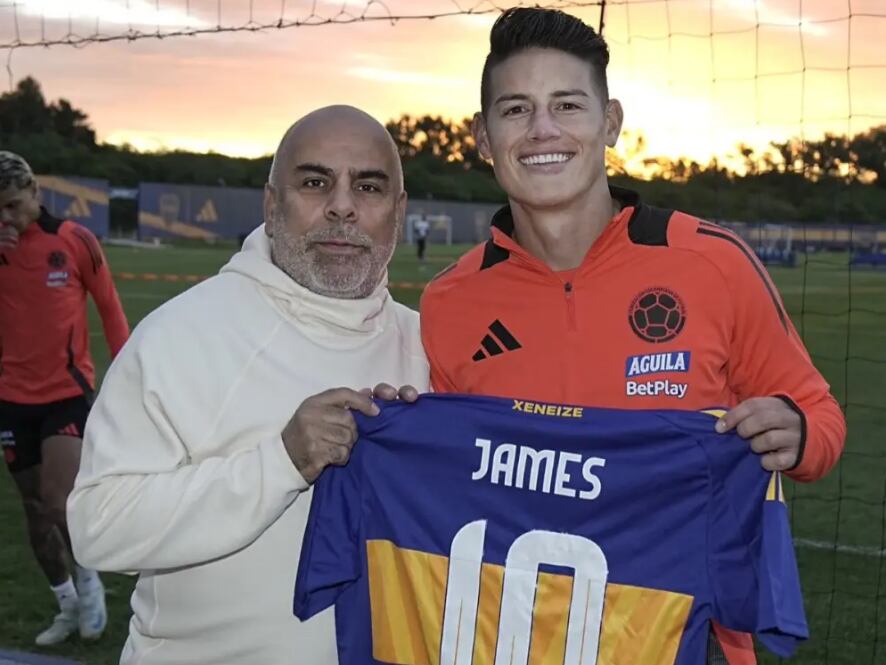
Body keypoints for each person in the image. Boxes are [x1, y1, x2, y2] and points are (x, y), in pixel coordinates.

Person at [419, 8, 846, 665]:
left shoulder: (712, 262)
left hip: (688, 637)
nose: (542, 130)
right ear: (482, 137)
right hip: (521, 638)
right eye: (515, 109)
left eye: (567, 105)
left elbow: (819, 416)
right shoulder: (449, 302)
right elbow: (451, 481)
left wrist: (796, 430)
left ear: (611, 122)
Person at [67, 106, 429, 665]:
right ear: (271, 204)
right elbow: (99, 527)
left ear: (398, 211)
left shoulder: (430, 347)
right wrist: (280, 463)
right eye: (315, 183)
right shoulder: (180, 335)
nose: (342, 206)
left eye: (368, 187)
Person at [0, 151, 128, 645]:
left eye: (12, 205)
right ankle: (66, 603)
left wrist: (128, 374)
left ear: (34, 192)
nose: (6, 218)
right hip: (11, 398)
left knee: (58, 501)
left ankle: (91, 584)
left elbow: (110, 308)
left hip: (66, 393)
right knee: (35, 510)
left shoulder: (74, 240)